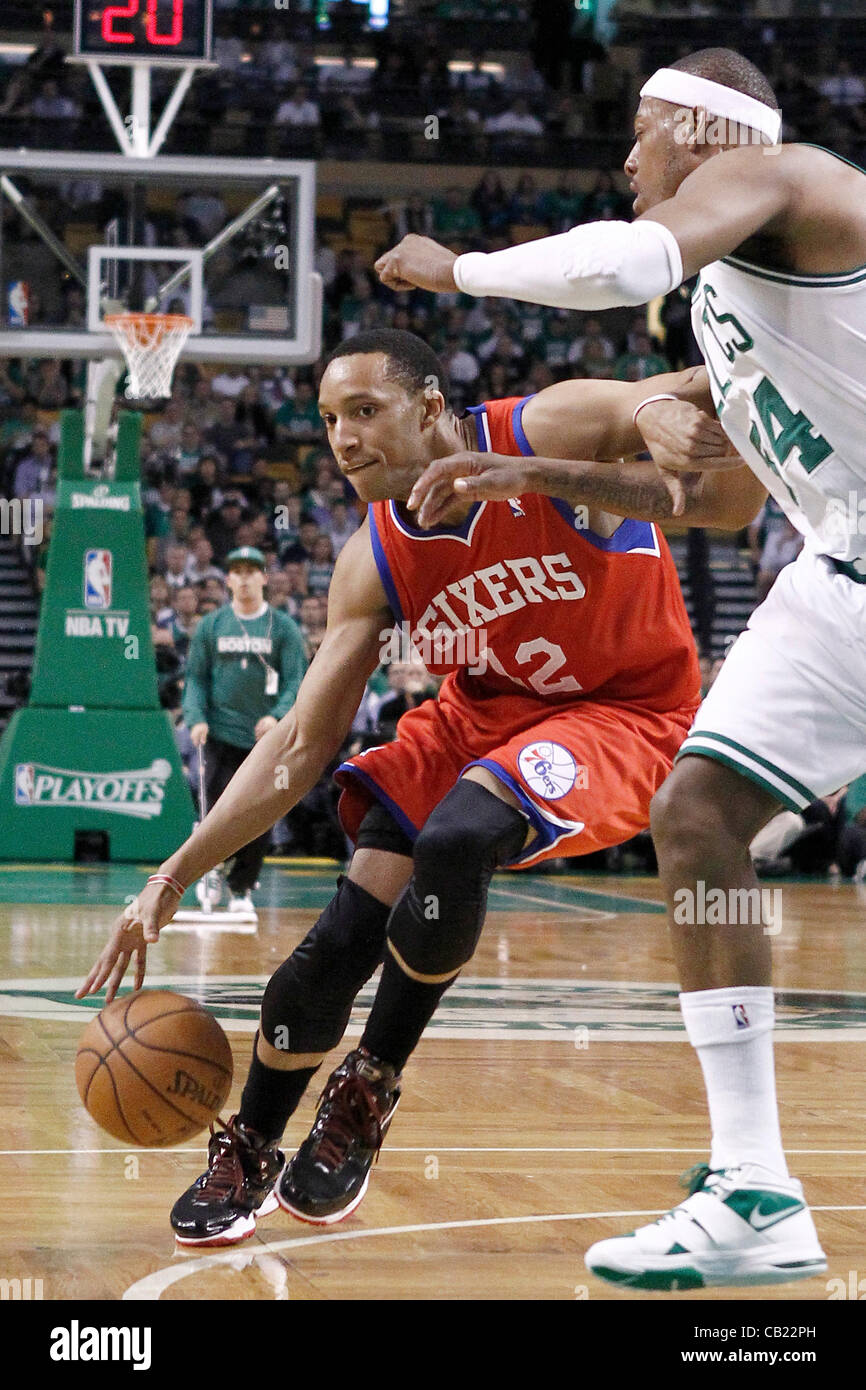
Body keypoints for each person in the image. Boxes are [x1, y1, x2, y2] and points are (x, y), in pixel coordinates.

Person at [78, 329, 763, 1249]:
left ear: (434, 405)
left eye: (366, 411)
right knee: (339, 942)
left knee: (457, 833)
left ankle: (369, 1086)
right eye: (329, 421)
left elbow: (671, 387)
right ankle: (252, 1142)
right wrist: (170, 875)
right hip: (477, 716)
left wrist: (661, 408)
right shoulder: (374, 557)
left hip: (624, 712)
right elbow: (295, 752)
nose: (345, 438)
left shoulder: (536, 426)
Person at [373, 45, 866, 1291]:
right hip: (840, 565)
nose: (625, 160)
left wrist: (462, 268)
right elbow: (704, 503)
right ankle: (752, 1187)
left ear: (703, 132)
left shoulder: (789, 179)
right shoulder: (727, 307)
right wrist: (529, 474)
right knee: (695, 814)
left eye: (641, 135)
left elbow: (626, 258)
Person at [181, 546, 307, 917]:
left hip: (264, 741)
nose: (246, 578)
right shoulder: (211, 625)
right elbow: (196, 679)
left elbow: (296, 681)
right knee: (213, 813)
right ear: (228, 580)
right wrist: (195, 717)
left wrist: (277, 716)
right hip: (218, 734)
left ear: (264, 578)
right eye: (238, 571)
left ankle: (242, 888)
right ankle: (209, 871)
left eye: (253, 571)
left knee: (259, 814)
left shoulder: (283, 627)